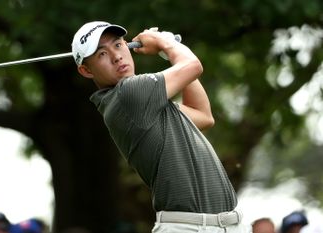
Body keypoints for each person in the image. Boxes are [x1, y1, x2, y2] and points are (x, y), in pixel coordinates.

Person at [71, 21, 251, 233]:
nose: (116, 56)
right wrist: (165, 43)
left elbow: (203, 115)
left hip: (224, 225)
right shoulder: (129, 94)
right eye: (102, 54)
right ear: (86, 70)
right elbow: (193, 66)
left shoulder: (140, 102)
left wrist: (169, 52)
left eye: (118, 45)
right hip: (189, 228)